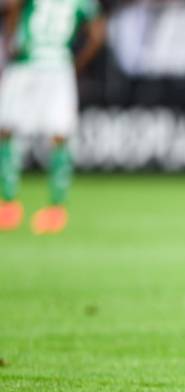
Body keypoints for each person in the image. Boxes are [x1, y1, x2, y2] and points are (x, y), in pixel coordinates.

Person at [0, 0, 105, 234]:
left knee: (6, 131)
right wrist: (78, 64)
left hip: (27, 62)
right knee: (60, 137)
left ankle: (8, 204)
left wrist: (11, 39)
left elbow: (11, 5)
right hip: (58, 65)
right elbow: (98, 34)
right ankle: (56, 208)